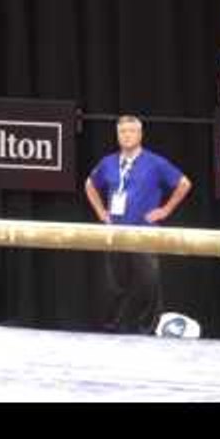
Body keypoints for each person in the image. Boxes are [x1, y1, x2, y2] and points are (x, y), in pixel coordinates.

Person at [84, 115, 192, 334]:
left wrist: (165, 210)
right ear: (117, 135)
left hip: (144, 232)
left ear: (140, 135)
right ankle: (112, 327)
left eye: (131, 131)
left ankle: (147, 329)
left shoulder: (155, 162)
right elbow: (89, 184)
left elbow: (184, 183)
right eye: (122, 132)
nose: (126, 135)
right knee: (115, 284)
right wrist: (101, 212)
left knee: (148, 283)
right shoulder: (108, 163)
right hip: (115, 231)